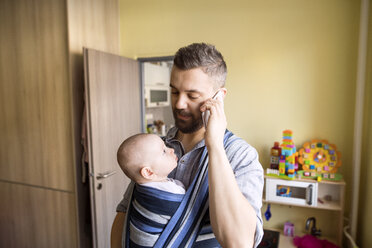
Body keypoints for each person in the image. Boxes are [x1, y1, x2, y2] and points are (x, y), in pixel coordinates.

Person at [111, 42, 264, 248]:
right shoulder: (157, 147)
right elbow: (126, 211)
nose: (179, 104)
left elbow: (238, 243)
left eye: (192, 96)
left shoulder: (241, 156)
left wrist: (215, 146)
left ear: (219, 97)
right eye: (174, 92)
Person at [116, 133, 186, 247]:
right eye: (164, 151)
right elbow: (189, 205)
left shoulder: (142, 186)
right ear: (148, 172)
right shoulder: (167, 194)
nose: (172, 150)